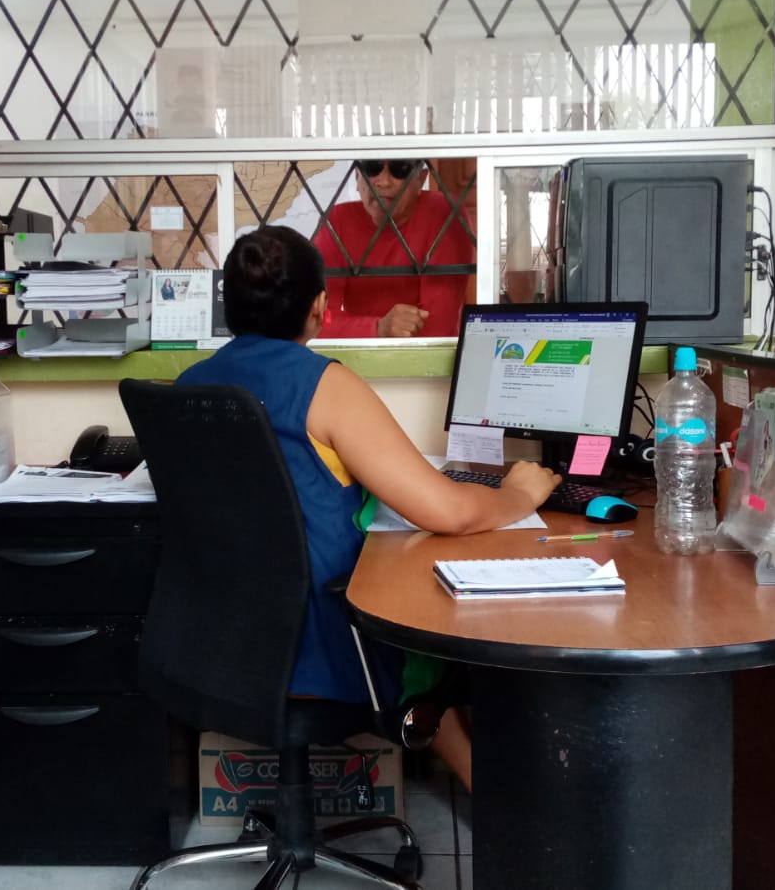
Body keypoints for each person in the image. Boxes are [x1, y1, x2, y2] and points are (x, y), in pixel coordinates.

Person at [178, 225, 560, 790]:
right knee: (444, 633)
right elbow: (449, 513)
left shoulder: (189, 385)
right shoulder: (323, 385)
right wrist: (520, 494)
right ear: (319, 307)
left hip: (215, 645)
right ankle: (513, 806)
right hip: (325, 643)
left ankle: (493, 789)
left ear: (228, 305)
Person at [312, 159, 476, 339]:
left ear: (421, 179)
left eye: (400, 169)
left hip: (423, 354)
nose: (383, 182)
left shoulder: (444, 215)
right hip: (358, 352)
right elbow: (315, 321)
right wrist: (378, 328)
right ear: (357, 177)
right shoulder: (337, 221)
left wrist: (358, 330)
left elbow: (437, 328)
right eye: (372, 168)